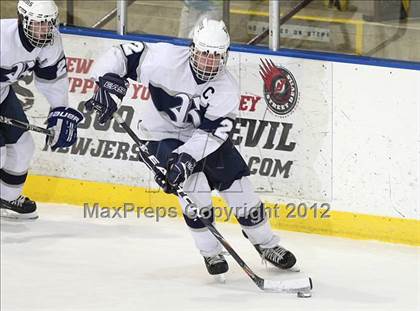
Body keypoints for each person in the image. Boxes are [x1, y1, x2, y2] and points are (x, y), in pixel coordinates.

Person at [86, 18, 297, 276]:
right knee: (193, 188)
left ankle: (266, 245)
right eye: (204, 53)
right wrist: (105, 82)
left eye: (216, 56)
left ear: (226, 56)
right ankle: (210, 252)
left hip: (201, 138)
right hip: (158, 135)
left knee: (241, 189)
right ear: (192, 48)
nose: (209, 61)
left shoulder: (226, 88)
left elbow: (213, 134)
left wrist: (186, 157)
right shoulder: (164, 59)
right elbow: (119, 55)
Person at [0, 0, 83, 219]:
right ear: (22, 19)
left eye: (48, 23)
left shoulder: (51, 41)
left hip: (2, 95)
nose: (44, 29)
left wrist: (59, 112)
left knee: (23, 146)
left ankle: (7, 198)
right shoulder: (2, 37)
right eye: (38, 23)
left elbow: (53, 81)